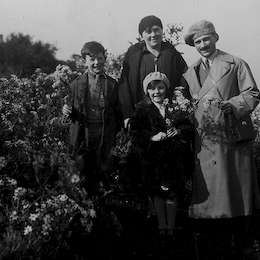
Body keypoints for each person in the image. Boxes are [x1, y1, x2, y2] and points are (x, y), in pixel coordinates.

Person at [183, 20, 260, 258]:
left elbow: (252, 93)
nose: (203, 45)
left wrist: (233, 104)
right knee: (209, 198)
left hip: (228, 135)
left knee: (231, 193)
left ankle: (240, 243)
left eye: (206, 39)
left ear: (216, 37)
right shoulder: (190, 71)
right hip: (204, 139)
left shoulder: (235, 63)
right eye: (197, 42)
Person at [118, 15, 189, 220]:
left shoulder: (171, 53)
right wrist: (127, 115)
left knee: (166, 162)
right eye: (148, 31)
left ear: (162, 31)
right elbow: (125, 85)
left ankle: (168, 207)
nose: (153, 34)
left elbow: (183, 80)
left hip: (166, 115)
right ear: (142, 35)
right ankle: (151, 207)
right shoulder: (134, 55)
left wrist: (179, 109)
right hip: (143, 116)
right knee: (145, 161)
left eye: (156, 29)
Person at [129, 71, 194, 237]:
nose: (156, 92)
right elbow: (135, 133)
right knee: (157, 191)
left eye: (160, 88)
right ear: (147, 92)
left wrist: (178, 131)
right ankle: (161, 226)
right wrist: (152, 137)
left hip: (173, 159)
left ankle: (171, 226)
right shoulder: (142, 110)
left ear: (166, 89)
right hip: (153, 159)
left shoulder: (175, 108)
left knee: (171, 191)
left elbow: (188, 127)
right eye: (152, 89)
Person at [62, 41, 122, 197]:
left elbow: (117, 110)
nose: (96, 63)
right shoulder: (76, 84)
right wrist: (67, 110)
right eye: (92, 59)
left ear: (105, 59)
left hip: (104, 131)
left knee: (103, 164)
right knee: (84, 164)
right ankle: (88, 199)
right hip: (85, 131)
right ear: (85, 61)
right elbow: (71, 108)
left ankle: (102, 199)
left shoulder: (113, 84)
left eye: (100, 58)